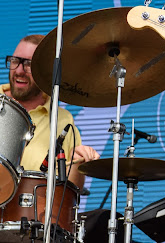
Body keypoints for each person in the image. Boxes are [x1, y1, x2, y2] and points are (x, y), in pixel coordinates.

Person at [2, 34, 100, 190]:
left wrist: (78, 162)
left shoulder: (62, 120)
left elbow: (69, 194)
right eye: (15, 61)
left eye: (28, 64)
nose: (19, 70)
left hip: (28, 213)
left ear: (45, 71)